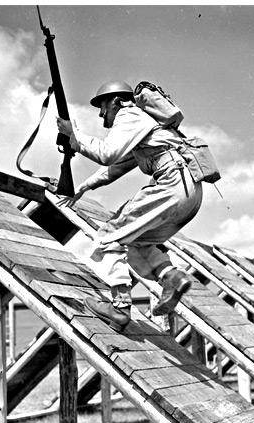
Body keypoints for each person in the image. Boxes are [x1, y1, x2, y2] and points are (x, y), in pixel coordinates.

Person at [56, 80, 203, 332]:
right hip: (190, 193)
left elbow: (107, 153)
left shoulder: (129, 114)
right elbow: (116, 168)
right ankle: (171, 276)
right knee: (136, 242)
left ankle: (119, 308)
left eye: (102, 107)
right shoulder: (146, 123)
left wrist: (74, 135)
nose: (102, 114)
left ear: (115, 101)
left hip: (170, 185)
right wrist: (83, 187)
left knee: (108, 237)